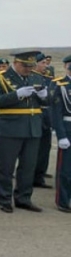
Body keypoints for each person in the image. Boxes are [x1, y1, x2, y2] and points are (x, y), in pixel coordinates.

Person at [0, 51, 49, 213]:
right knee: (6, 167)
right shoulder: (0, 77)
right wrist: (16, 95)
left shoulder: (36, 77)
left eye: (31, 66)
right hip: (11, 129)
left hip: (32, 128)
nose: (28, 69)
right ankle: (4, 199)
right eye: (25, 66)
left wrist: (45, 96)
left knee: (28, 167)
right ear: (16, 63)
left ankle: (24, 198)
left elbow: (46, 101)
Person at [49, 55, 71, 212]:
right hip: (68, 128)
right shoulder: (59, 85)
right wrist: (61, 135)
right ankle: (63, 201)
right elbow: (55, 112)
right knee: (66, 169)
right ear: (65, 66)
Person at [33, 53, 55, 189]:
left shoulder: (47, 79)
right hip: (35, 117)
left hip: (46, 118)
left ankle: (39, 176)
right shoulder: (30, 78)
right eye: (42, 63)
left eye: (46, 63)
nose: (45, 66)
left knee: (45, 149)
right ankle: (30, 177)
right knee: (33, 150)